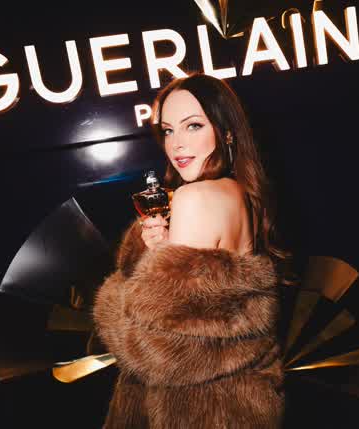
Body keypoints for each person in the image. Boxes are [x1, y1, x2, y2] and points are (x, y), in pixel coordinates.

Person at [93, 73, 295, 428]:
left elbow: (158, 354)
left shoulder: (194, 198)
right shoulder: (242, 195)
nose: (176, 144)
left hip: (197, 413)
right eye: (168, 131)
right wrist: (160, 255)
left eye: (193, 126)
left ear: (226, 131)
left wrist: (113, 297)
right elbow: (210, 315)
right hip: (239, 406)